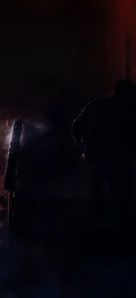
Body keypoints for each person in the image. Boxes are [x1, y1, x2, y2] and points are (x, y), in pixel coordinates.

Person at [72, 79, 136, 228]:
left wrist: (83, 148)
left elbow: (76, 128)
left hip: (99, 159)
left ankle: (101, 228)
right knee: (121, 199)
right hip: (120, 161)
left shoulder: (97, 106)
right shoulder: (130, 110)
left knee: (99, 198)